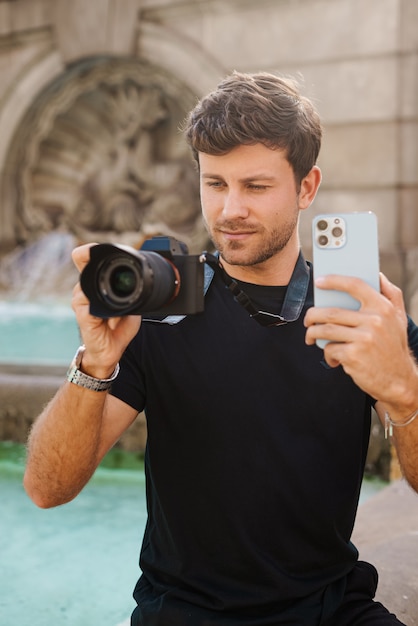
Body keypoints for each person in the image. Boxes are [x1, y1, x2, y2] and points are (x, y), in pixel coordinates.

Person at [24, 71, 418, 625]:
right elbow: (47, 489)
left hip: (331, 610)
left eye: (255, 187)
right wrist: (95, 364)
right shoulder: (163, 303)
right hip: (184, 614)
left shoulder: (363, 314)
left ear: (306, 188)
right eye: (215, 184)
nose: (230, 209)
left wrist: (404, 394)